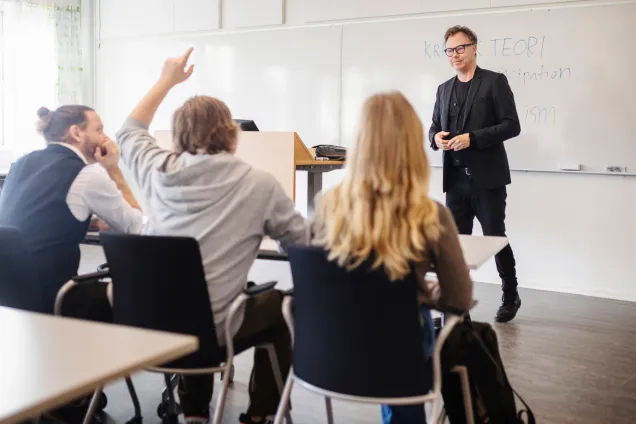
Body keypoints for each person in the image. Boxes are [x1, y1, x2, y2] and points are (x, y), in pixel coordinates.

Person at [115, 48, 308, 424]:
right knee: (281, 306)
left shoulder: (154, 169)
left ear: (179, 134)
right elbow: (301, 242)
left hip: (146, 325)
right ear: (232, 134)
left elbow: (128, 130)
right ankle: (261, 414)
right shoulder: (258, 183)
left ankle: (194, 411)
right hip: (213, 334)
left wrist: (166, 80)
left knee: (191, 297)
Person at [311, 91, 473, 424]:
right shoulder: (431, 214)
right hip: (400, 361)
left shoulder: (327, 205)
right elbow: (459, 299)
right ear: (413, 145)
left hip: (327, 354)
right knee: (410, 321)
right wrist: (423, 293)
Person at [0, 105, 143, 313]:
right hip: (57, 297)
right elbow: (135, 228)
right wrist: (113, 169)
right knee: (131, 298)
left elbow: (39, 218)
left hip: (12, 301)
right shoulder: (86, 174)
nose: (105, 139)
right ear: (76, 132)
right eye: (99, 130)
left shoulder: (19, 165)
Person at [429, 25, 522, 323]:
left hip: (487, 179)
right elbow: (432, 127)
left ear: (473, 47)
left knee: (494, 236)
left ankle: (511, 294)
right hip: (455, 182)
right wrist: (435, 139)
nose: (454, 55)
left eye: (460, 48)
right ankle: (459, 306)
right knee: (455, 246)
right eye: (449, 50)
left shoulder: (494, 82)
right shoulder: (443, 89)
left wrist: (474, 138)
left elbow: (512, 125)